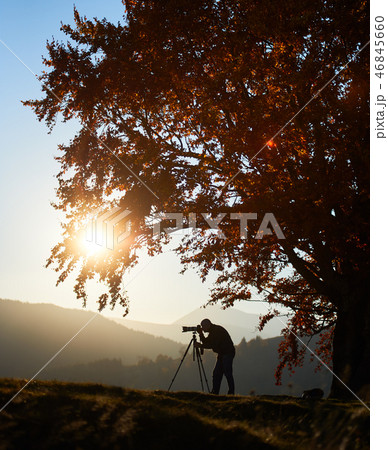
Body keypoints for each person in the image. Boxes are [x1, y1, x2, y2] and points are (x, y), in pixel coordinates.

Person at [195, 318, 235, 395]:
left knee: (227, 373)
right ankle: (215, 392)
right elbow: (206, 342)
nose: (202, 328)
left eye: (203, 327)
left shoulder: (216, 331)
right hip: (222, 353)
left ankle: (230, 393)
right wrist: (201, 334)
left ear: (208, 325)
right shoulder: (213, 330)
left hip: (227, 353)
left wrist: (200, 345)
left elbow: (212, 345)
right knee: (217, 374)